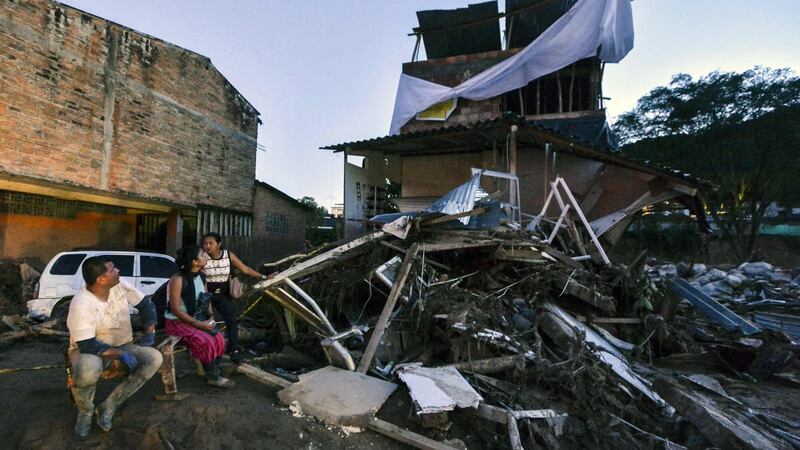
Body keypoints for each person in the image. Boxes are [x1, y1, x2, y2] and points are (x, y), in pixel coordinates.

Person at [66, 256, 162, 438]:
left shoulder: (118, 285)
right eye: (112, 269)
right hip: (88, 350)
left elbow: (146, 305)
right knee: (88, 368)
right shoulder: (82, 303)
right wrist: (119, 354)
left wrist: (150, 330)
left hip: (122, 344)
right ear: (101, 279)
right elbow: (87, 344)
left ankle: (108, 406)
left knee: (154, 358)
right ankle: (85, 412)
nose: (117, 270)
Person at [164, 245, 234, 389]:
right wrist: (199, 324)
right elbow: (175, 309)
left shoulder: (202, 277)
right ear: (195, 261)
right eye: (202, 255)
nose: (206, 257)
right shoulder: (178, 280)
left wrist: (210, 318)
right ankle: (213, 377)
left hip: (197, 319)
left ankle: (211, 370)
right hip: (177, 322)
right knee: (206, 341)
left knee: (220, 338)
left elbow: (206, 299)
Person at [201, 232, 269, 363]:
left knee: (232, 322)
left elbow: (245, 269)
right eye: (205, 243)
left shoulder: (228, 255)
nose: (207, 246)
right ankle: (206, 355)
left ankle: (234, 351)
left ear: (219, 244)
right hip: (205, 296)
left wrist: (264, 277)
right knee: (205, 324)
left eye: (211, 243)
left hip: (223, 295)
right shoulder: (202, 257)